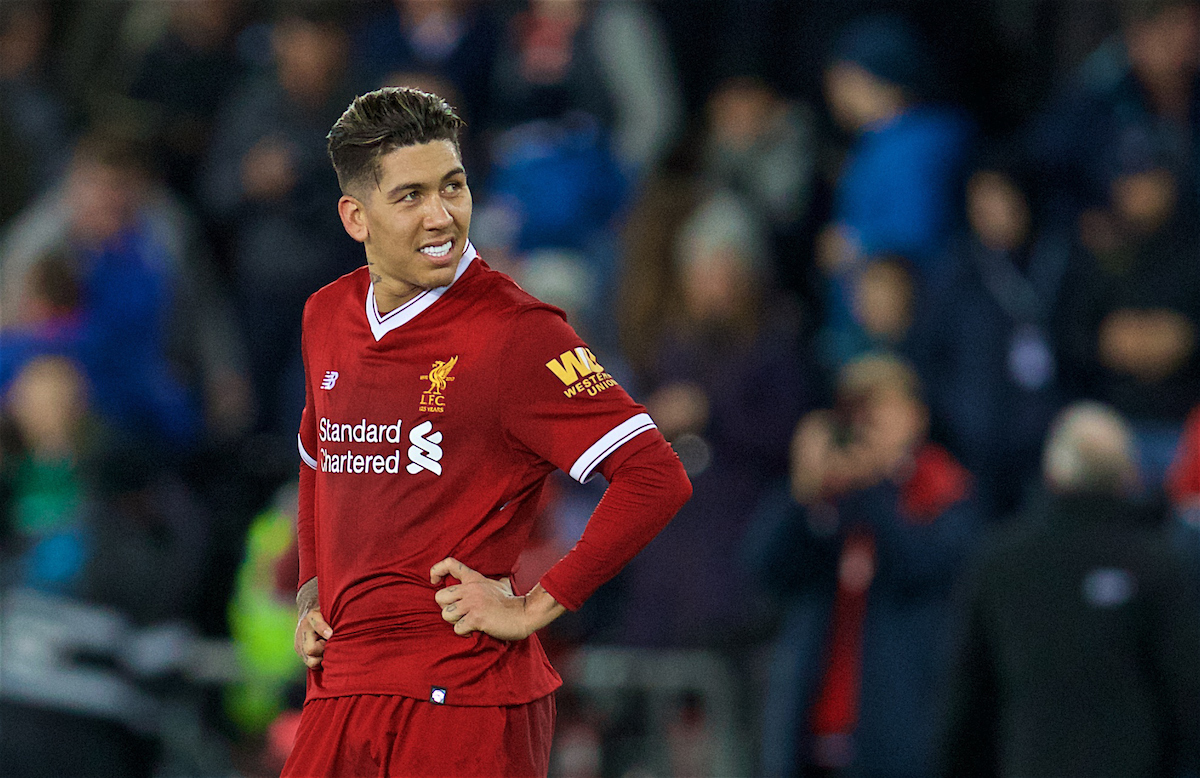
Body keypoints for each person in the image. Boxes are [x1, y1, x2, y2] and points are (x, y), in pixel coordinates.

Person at [284, 87, 691, 777]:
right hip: (343, 686)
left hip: (459, 699)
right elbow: (319, 455)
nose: (443, 215)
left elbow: (655, 476)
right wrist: (311, 588)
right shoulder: (326, 315)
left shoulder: (517, 332)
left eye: (454, 185)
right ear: (357, 215)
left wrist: (539, 603)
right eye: (410, 195)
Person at [742, 353, 979, 778]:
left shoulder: (945, 490)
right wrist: (802, 494)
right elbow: (766, 570)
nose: (866, 422)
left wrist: (872, 487)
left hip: (900, 727)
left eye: (880, 407)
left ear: (916, 417)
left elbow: (920, 563)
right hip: (813, 725)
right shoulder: (831, 498)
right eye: (856, 409)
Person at [940, 401, 1200, 778]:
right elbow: (1187, 694)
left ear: (1051, 472)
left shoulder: (1000, 562)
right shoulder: (1158, 564)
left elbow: (967, 698)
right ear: (1131, 474)